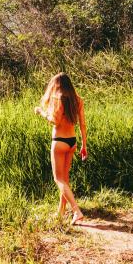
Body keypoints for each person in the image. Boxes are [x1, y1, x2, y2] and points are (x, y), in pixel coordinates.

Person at [35, 72, 87, 224]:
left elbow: (54, 121)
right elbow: (83, 124)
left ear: (56, 85)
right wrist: (84, 145)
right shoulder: (77, 99)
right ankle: (61, 212)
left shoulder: (58, 98)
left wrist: (41, 112)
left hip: (59, 141)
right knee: (65, 179)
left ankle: (76, 211)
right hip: (72, 141)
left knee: (58, 179)